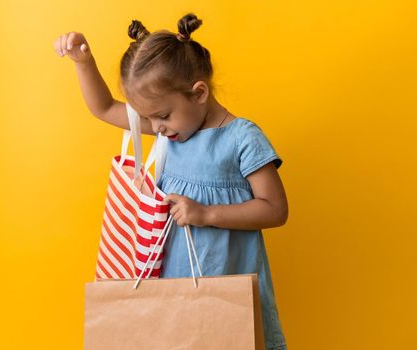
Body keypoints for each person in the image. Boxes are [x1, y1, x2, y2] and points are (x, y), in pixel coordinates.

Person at [54, 13, 289, 350]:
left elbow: (275, 209)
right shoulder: (172, 130)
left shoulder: (242, 138)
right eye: (149, 118)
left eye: (162, 116)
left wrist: (207, 214)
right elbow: (104, 108)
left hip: (230, 289)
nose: (156, 127)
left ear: (199, 93)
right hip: (174, 289)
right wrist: (83, 61)